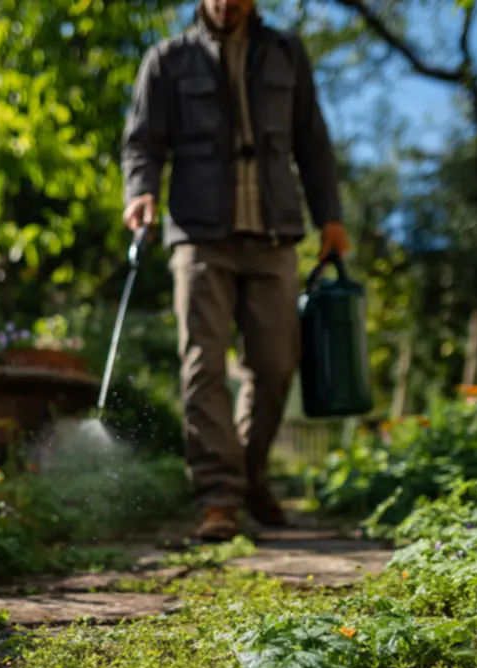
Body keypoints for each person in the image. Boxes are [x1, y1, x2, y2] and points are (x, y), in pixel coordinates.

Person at [121, 0, 349, 542]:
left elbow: (312, 142)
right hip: (199, 234)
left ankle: (249, 476)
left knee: (273, 364)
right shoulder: (166, 60)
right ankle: (219, 495)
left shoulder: (286, 53)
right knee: (202, 364)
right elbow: (142, 142)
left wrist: (331, 218)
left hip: (274, 231)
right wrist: (141, 192)